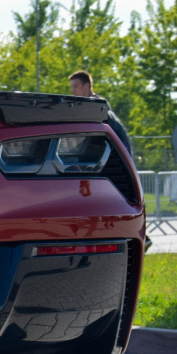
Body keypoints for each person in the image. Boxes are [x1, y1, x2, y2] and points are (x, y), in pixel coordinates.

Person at [68, 70, 151, 251]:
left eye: (76, 87)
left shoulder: (97, 109)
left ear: (87, 86)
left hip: (113, 165)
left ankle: (136, 238)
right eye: (71, 88)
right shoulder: (97, 107)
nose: (73, 92)